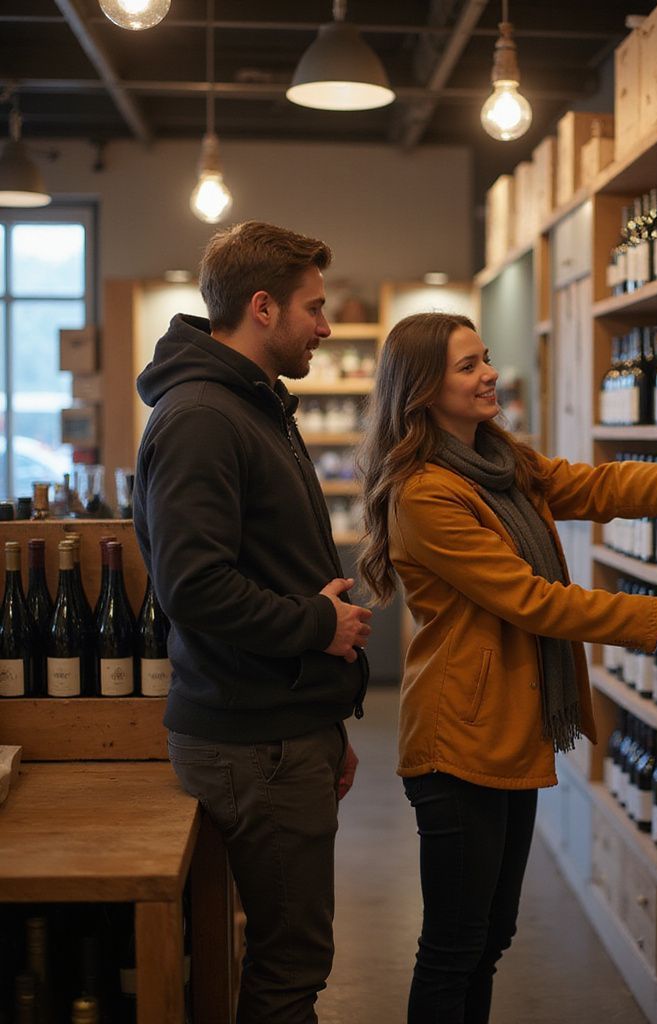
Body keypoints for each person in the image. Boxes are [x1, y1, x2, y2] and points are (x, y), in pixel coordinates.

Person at [356, 312, 657, 1023]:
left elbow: (598, 485)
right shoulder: (425, 493)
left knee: (490, 937)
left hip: (508, 725)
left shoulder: (500, 462)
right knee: (455, 943)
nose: (489, 372)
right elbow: (530, 601)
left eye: (484, 357)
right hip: (458, 736)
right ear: (423, 388)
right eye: (467, 366)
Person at [133, 221, 372, 1024]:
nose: (327, 326)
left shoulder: (249, 405)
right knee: (290, 965)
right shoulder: (204, 416)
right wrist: (317, 627)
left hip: (278, 729)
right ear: (262, 307)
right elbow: (193, 587)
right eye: (314, 307)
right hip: (251, 740)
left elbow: (261, 563)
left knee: (285, 955)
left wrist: (323, 721)